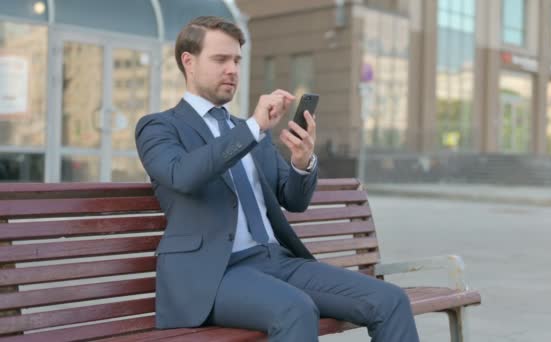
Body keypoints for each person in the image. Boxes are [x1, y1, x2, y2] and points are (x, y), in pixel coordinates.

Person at [135, 16, 419, 342]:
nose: (232, 69)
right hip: (213, 275)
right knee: (295, 309)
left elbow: (294, 200)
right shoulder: (159, 127)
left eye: (237, 61)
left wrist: (302, 162)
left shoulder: (248, 131)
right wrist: (254, 128)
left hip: (277, 261)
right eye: (220, 59)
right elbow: (182, 175)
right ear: (189, 61)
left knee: (391, 300)